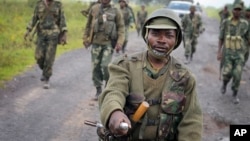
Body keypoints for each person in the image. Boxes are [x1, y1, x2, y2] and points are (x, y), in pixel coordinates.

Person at [98, 8, 202, 140]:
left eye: (169, 35)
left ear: (176, 40)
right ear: (146, 35)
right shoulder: (125, 65)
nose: (161, 40)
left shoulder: (185, 76)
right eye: (155, 33)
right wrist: (114, 112)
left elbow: (191, 122)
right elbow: (113, 91)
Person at [83, 0, 125, 100]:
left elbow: (121, 28)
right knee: (95, 67)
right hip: (96, 43)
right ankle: (98, 90)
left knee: (106, 65)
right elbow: (88, 25)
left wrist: (120, 42)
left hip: (108, 43)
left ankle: (107, 84)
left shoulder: (116, 11)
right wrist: (86, 38)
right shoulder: (94, 8)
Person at [24, 0, 67, 89]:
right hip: (41, 34)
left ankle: (47, 78)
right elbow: (34, 18)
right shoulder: (39, 4)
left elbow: (62, 20)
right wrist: (28, 30)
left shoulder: (58, 5)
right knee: (38, 56)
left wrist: (64, 34)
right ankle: (45, 70)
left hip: (53, 34)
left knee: (49, 57)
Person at [217, 4, 250, 104]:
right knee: (227, 73)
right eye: (235, 9)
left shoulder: (245, 24)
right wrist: (219, 52)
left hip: (240, 54)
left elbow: (248, 39)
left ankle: (235, 94)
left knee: (237, 74)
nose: (237, 11)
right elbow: (221, 37)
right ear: (232, 11)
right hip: (228, 53)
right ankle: (224, 84)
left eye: (239, 10)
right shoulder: (226, 22)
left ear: (241, 12)